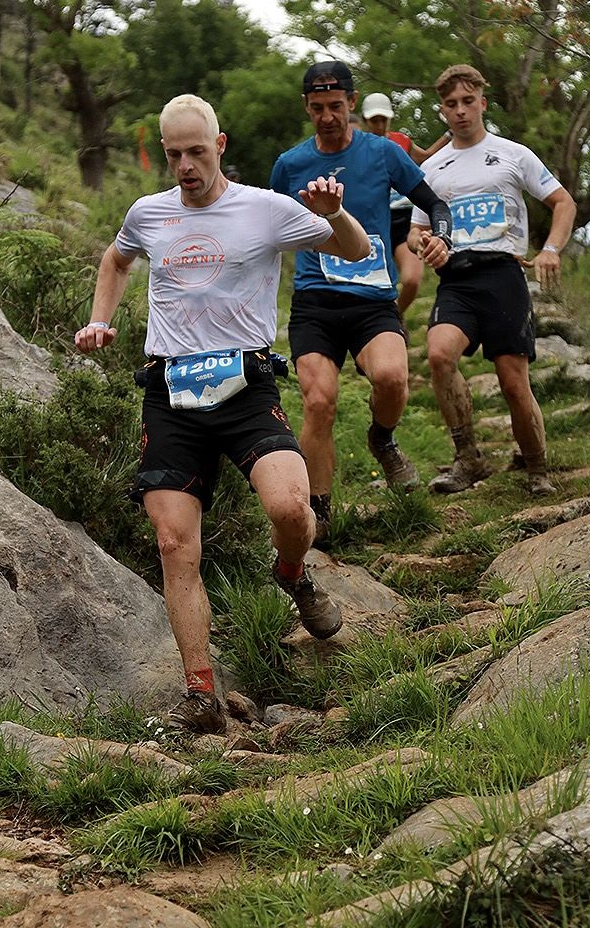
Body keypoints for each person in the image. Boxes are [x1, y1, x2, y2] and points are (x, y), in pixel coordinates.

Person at [75, 94, 370, 734]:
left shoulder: (264, 209)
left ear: (221, 146)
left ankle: (292, 574)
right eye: (174, 153)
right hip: (171, 393)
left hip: (245, 387)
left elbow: (355, 249)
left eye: (197, 152)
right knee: (175, 543)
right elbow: (116, 259)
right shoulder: (148, 214)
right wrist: (101, 319)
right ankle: (202, 696)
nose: (185, 165)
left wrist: (336, 214)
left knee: (292, 509)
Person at [270, 61, 453, 544]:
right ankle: (321, 512)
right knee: (319, 402)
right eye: (317, 108)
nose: (327, 117)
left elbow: (435, 204)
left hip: (374, 299)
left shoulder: (382, 154)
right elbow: (266, 230)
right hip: (315, 300)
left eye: (335, 106)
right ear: (306, 108)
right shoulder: (289, 166)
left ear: (352, 103)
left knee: (393, 377)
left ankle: (383, 438)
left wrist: (442, 238)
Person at [409, 64, 577, 496]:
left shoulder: (513, 154)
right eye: (451, 104)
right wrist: (422, 244)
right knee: (440, 355)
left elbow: (562, 202)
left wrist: (551, 250)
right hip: (457, 278)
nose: (461, 111)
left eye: (468, 101)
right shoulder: (432, 168)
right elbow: (415, 228)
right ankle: (468, 458)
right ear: (442, 110)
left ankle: (537, 467)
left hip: (504, 274)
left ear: (483, 103)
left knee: (512, 379)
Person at [361, 92, 452, 313]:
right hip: (372, 222)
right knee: (375, 286)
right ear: (365, 120)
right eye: (375, 120)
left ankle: (396, 316)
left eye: (384, 119)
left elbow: (426, 157)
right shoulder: (356, 148)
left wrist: (450, 132)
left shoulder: (401, 141)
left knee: (411, 280)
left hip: (404, 218)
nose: (380, 125)